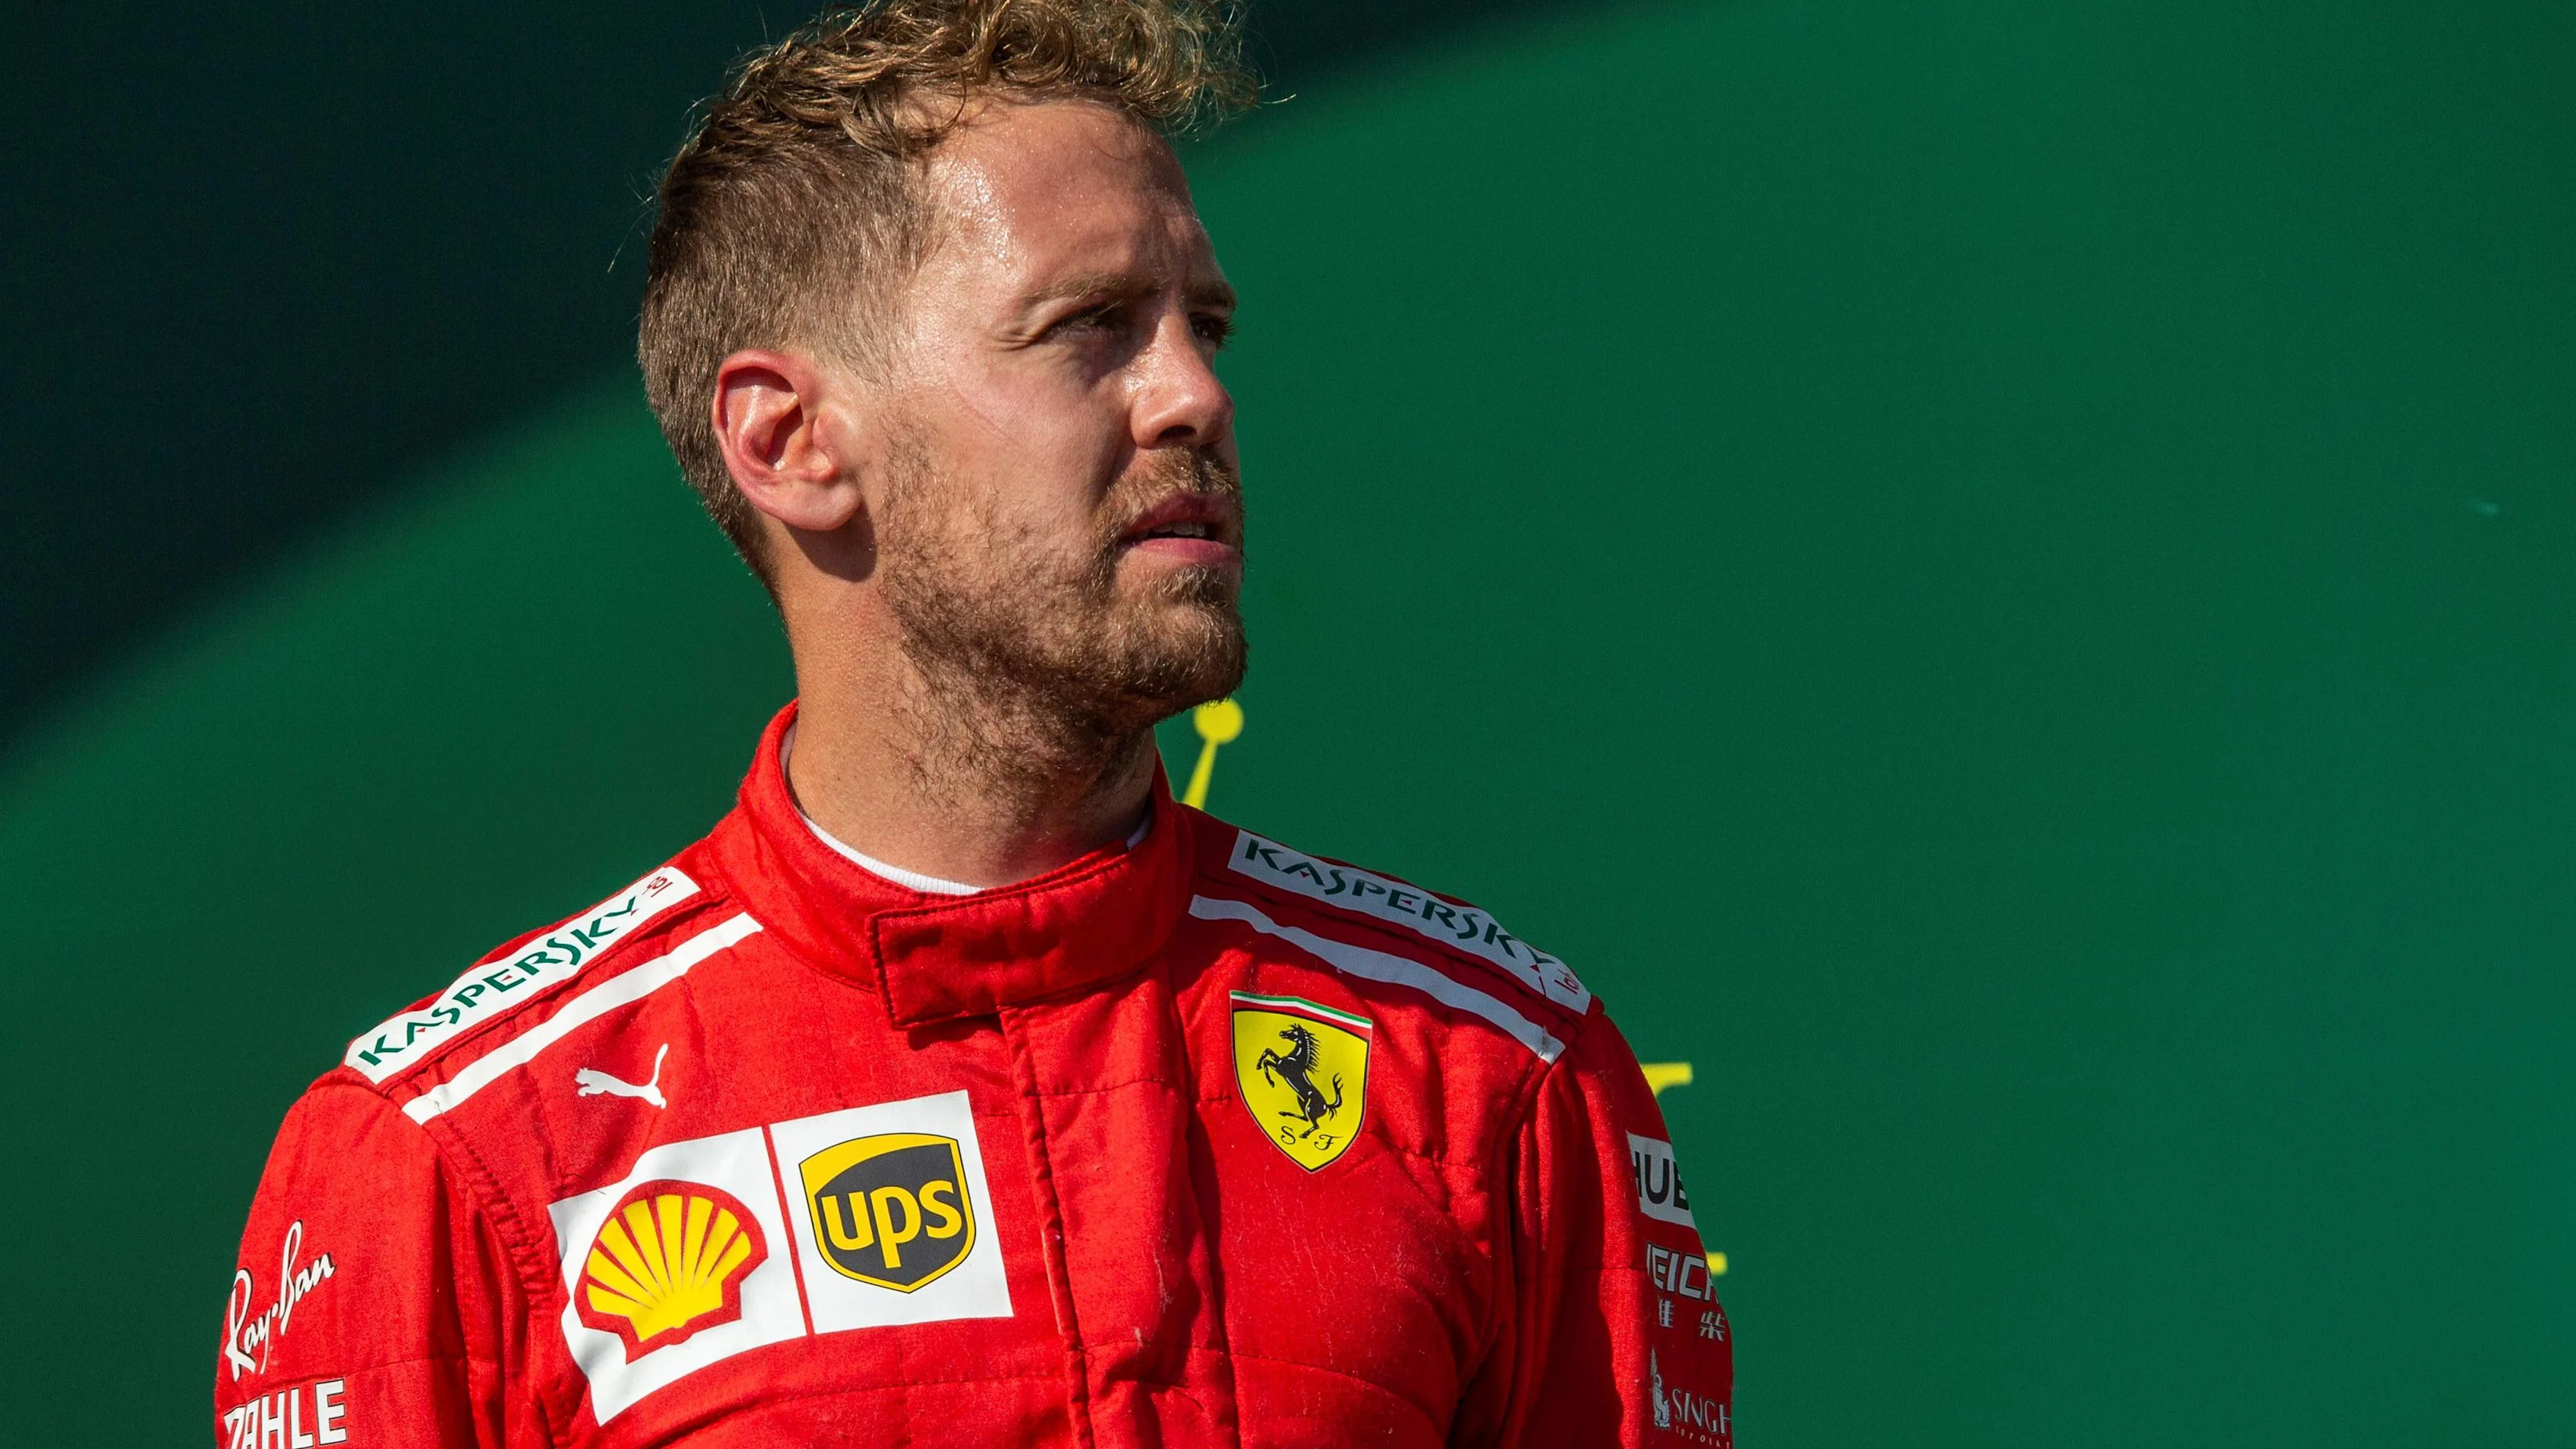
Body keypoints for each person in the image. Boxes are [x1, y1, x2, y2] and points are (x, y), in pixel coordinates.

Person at [210, 2, 1732, 1444]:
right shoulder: (456, 1159)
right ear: (791, 441)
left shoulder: (1492, 1070)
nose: (1191, 396)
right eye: (1088, 328)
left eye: (1201, 326)